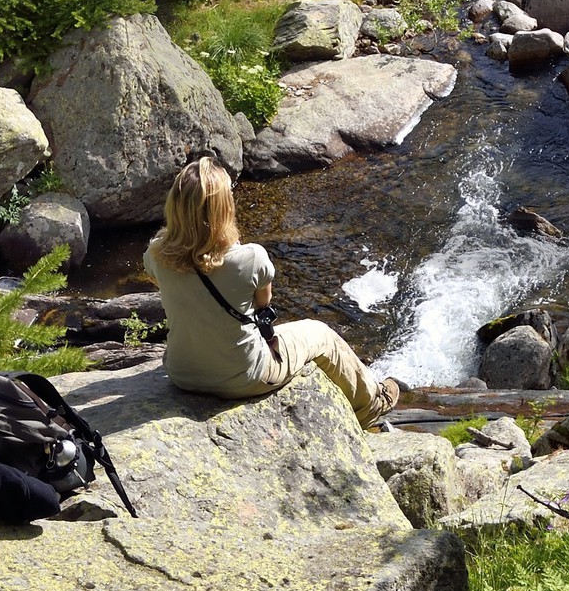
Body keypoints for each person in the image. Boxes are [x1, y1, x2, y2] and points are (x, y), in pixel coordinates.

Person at [144, 156, 400, 426]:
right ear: (223, 209)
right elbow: (263, 302)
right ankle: (373, 404)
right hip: (246, 377)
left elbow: (168, 283)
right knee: (322, 335)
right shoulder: (250, 257)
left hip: (181, 374)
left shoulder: (157, 253)